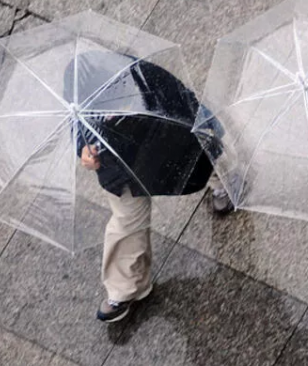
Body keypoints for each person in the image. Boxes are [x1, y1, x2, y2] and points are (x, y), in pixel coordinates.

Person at [67, 51, 213, 322]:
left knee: (203, 158)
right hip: (120, 167)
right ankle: (125, 289)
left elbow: (183, 106)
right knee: (126, 222)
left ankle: (225, 181)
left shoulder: (143, 76)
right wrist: (84, 150)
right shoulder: (79, 80)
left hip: (165, 139)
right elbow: (76, 125)